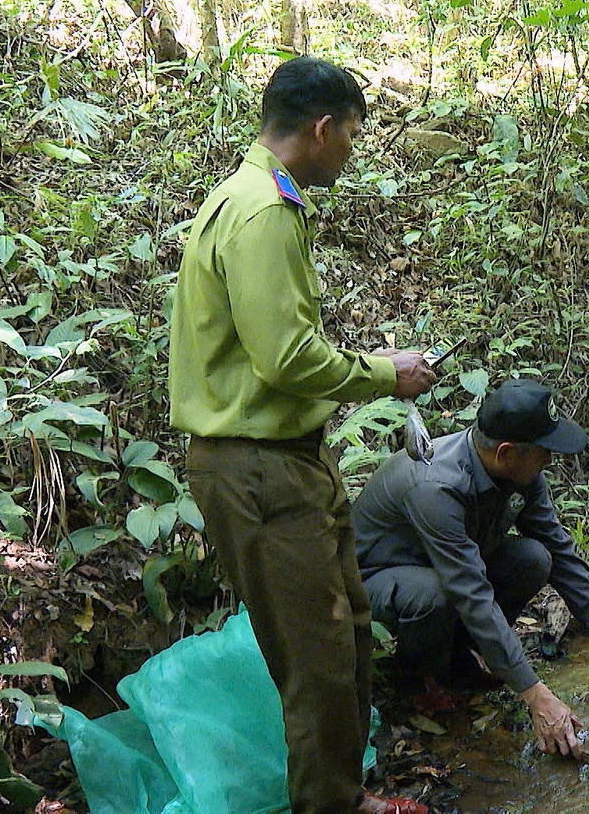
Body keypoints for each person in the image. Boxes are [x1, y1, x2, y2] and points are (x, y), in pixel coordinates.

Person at [170, 57, 434, 814]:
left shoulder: (254, 198)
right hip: (257, 470)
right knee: (314, 661)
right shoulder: (262, 212)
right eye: (350, 134)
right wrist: (386, 373)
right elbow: (285, 358)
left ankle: (344, 796)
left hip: (287, 459)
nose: (351, 151)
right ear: (320, 130)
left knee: (346, 633)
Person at [353, 379, 589, 758]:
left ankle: (469, 653)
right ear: (507, 453)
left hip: (446, 566)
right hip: (381, 577)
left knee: (535, 557)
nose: (550, 459)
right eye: (545, 451)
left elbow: (558, 548)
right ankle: (418, 677)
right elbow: (471, 593)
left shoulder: (520, 470)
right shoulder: (436, 487)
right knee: (439, 594)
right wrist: (536, 695)